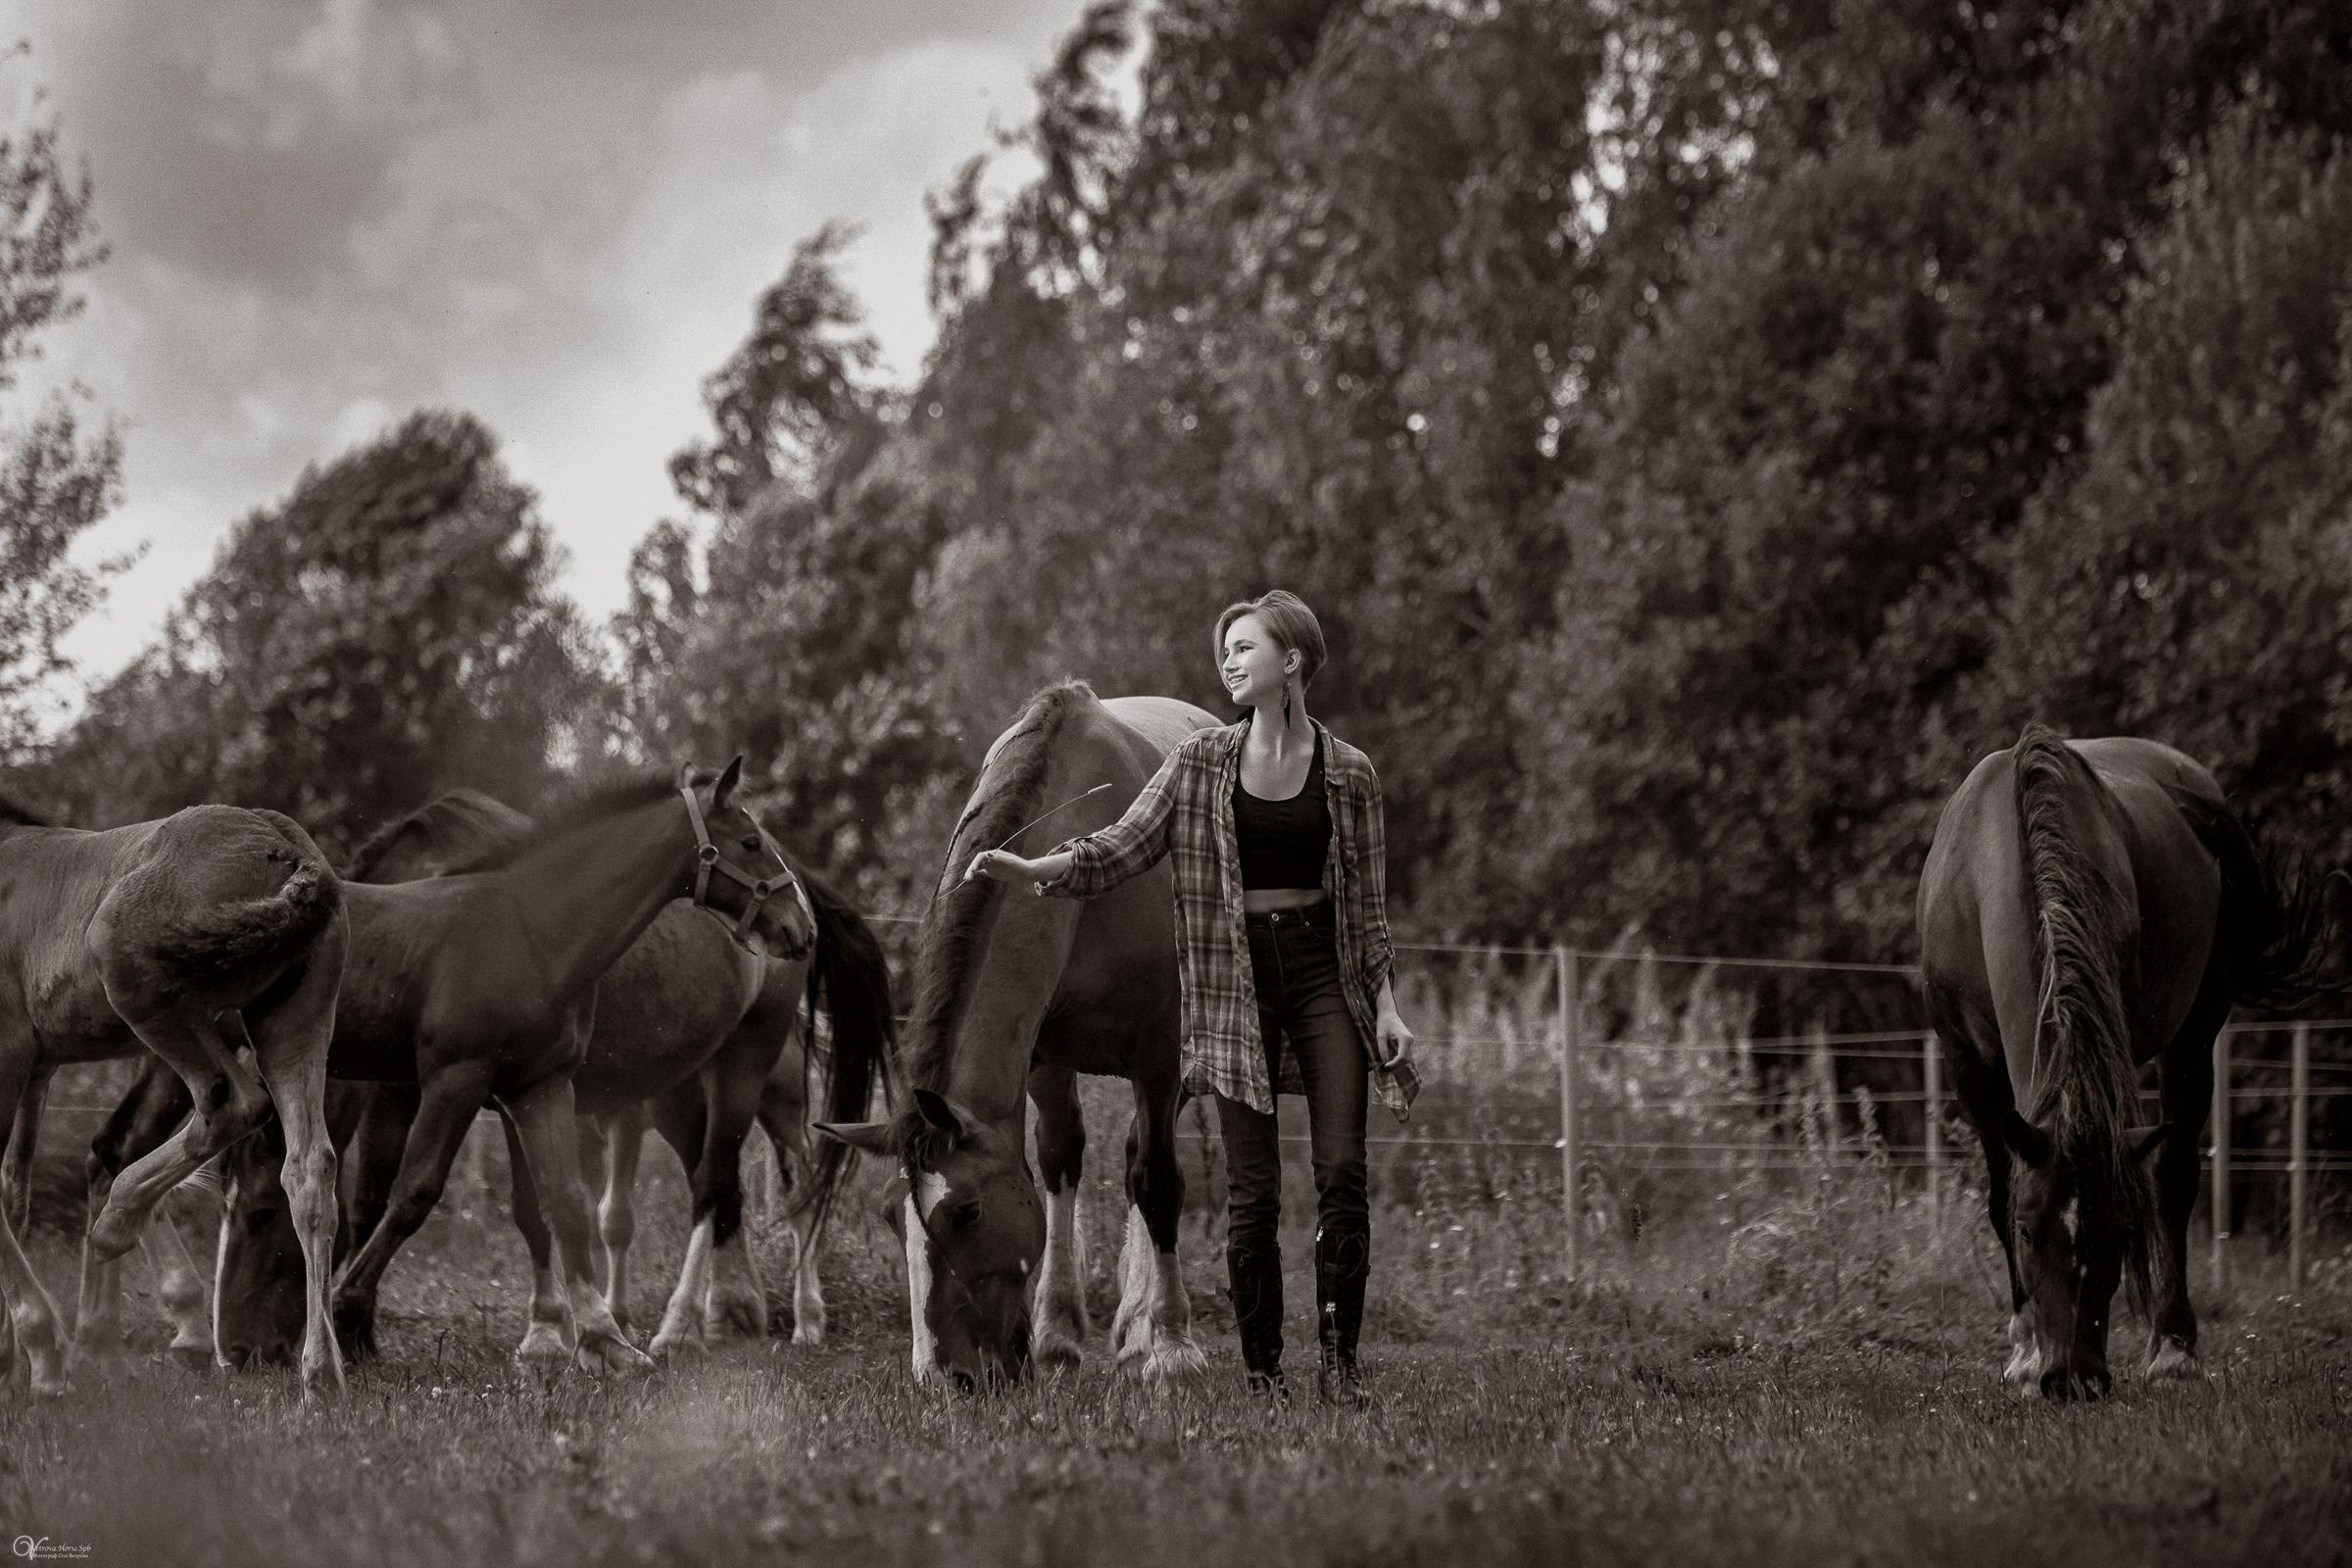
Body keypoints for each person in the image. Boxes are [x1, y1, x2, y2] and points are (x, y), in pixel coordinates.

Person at [963, 590, 1417, 1405]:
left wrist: (1384, 1003)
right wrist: (1037, 870)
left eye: (1246, 648)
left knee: (1342, 1172)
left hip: (1322, 978)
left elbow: (1366, 905)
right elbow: (1122, 845)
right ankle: (1266, 1375)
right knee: (1252, 1188)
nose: (1229, 662)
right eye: (1226, 649)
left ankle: (1342, 1368)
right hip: (1233, 986)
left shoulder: (1350, 773)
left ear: (1294, 662)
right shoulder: (1201, 759)